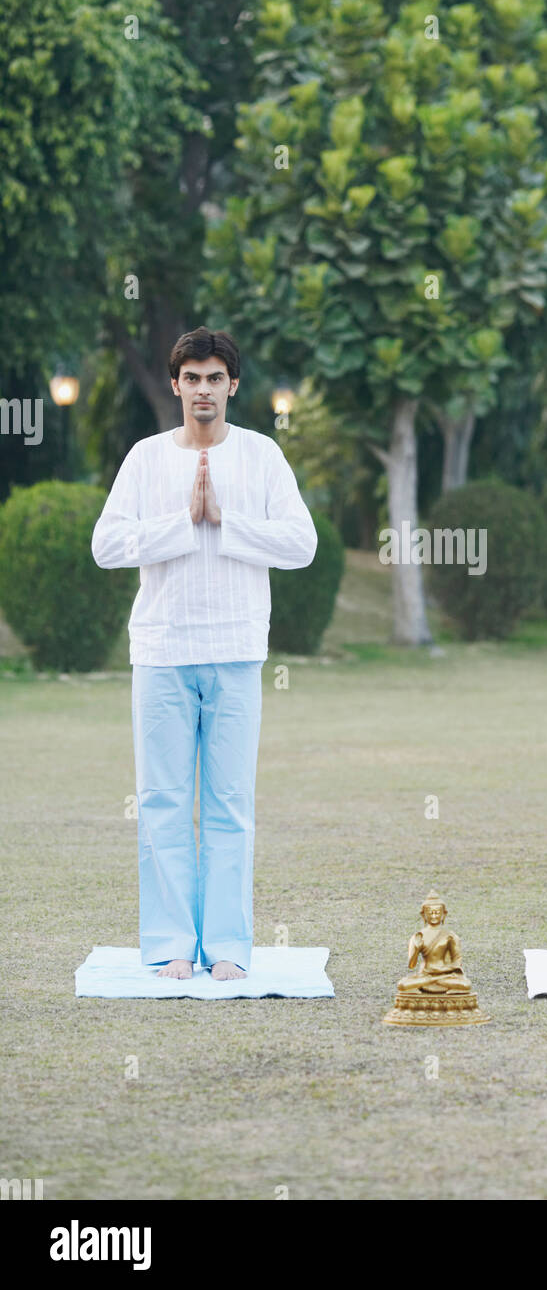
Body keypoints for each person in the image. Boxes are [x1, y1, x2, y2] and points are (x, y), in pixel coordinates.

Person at [91, 326, 317, 980]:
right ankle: (168, 947)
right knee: (161, 799)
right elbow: (106, 546)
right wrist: (183, 523)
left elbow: (300, 544)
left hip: (237, 652)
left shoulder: (263, 457)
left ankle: (226, 949)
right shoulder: (146, 459)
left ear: (233, 385)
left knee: (228, 805)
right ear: (175, 385)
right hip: (161, 652)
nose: (203, 390)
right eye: (191, 378)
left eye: (215, 378)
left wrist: (226, 520)